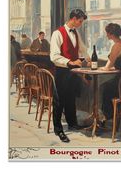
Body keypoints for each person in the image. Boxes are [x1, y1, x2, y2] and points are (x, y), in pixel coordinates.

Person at [50, 9, 89, 143]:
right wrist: (70, 62)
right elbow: (54, 56)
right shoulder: (57, 33)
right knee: (59, 101)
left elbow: (82, 49)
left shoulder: (76, 32)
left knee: (71, 99)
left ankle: (72, 123)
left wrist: (88, 59)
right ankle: (58, 129)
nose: (80, 24)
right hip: (62, 71)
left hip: (74, 72)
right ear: (73, 18)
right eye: (80, 21)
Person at [100, 23, 121, 122]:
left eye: (107, 33)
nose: (106, 35)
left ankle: (107, 116)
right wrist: (108, 68)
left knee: (105, 88)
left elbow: (107, 67)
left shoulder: (117, 46)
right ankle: (108, 116)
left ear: (111, 34)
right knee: (107, 86)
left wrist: (102, 68)